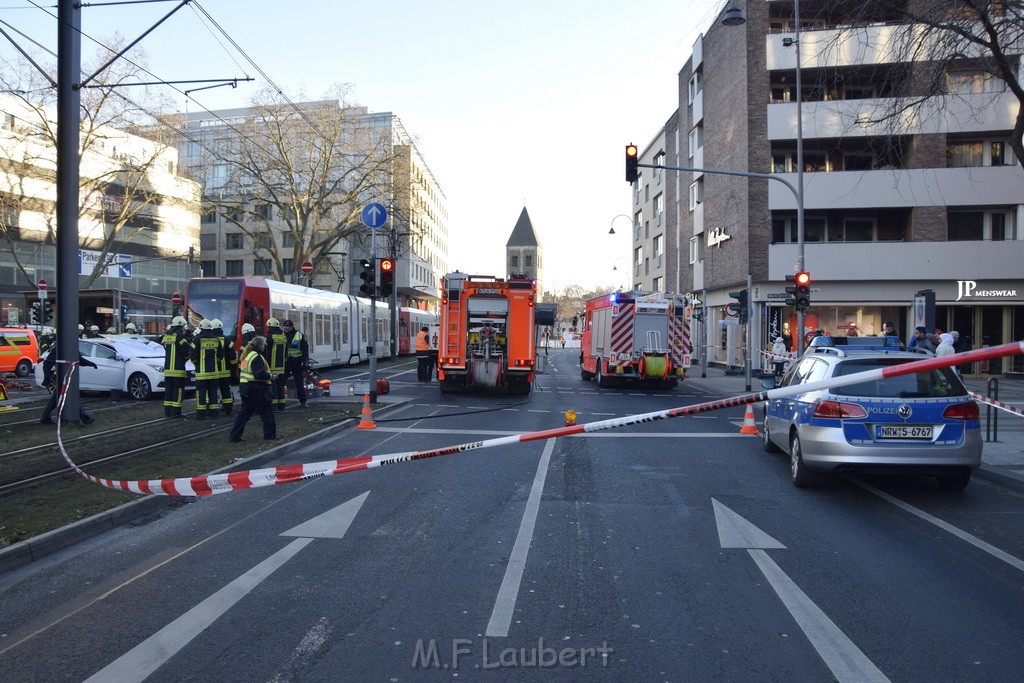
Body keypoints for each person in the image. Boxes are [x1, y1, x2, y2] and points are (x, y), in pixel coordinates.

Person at [229, 335, 277, 442]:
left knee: (243, 415)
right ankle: (270, 436)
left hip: (246, 388)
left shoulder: (247, 355)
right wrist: (271, 376)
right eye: (264, 345)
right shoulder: (257, 357)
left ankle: (234, 436)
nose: (265, 347)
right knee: (267, 413)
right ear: (261, 345)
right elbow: (258, 374)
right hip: (258, 389)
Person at [39, 346, 98, 425]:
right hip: (60, 378)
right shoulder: (58, 349)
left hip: (68, 376)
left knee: (56, 398)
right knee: (70, 396)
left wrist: (90, 364)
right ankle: (85, 418)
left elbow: (79, 360)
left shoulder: (73, 348)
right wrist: (47, 377)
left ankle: (45, 418)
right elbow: (47, 363)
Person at [189, 318, 222, 420]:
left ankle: (201, 415)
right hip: (214, 373)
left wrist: (197, 364)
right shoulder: (217, 340)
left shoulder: (197, 340)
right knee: (213, 393)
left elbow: (192, 355)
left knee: (201, 394)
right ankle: (214, 413)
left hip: (201, 373)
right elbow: (221, 356)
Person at [161, 316, 191, 417]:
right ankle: (176, 412)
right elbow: (186, 352)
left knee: (168, 391)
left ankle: (168, 412)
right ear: (180, 326)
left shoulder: (166, 336)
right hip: (178, 370)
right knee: (178, 391)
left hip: (168, 370)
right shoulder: (180, 337)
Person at [211, 319, 236, 416]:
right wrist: (233, 370)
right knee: (225, 391)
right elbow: (233, 357)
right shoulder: (227, 340)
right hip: (225, 371)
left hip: (213, 372)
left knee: (213, 391)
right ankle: (228, 410)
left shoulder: (210, 340)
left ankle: (213, 410)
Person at [282, 319, 309, 407]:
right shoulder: (281, 335)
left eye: (287, 326)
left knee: (299, 383)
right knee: (281, 383)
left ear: (292, 327)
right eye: (284, 326)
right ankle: (281, 402)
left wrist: (304, 361)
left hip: (296, 362)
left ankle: (303, 401)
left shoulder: (299, 335)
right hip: (286, 362)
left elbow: (304, 349)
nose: (285, 328)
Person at [265, 318, 288, 410]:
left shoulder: (269, 337)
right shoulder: (283, 336)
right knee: (281, 386)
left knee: (273, 386)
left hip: (272, 367)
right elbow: (286, 352)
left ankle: (274, 406)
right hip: (281, 367)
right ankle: (281, 406)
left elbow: (267, 352)